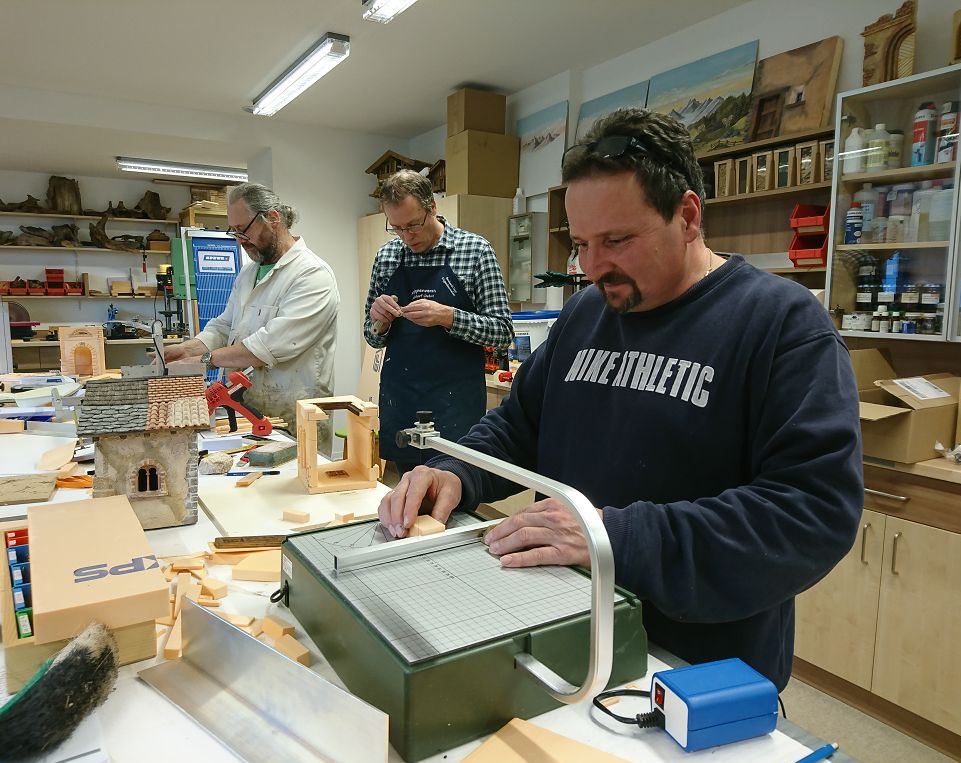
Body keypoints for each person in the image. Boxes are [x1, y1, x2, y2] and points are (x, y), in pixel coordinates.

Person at [377, 108, 863, 690]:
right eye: (582, 244)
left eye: (617, 240)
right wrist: (456, 471)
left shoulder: (781, 324)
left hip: (695, 665)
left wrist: (609, 535)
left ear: (687, 216)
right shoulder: (586, 312)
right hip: (567, 626)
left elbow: (810, 512)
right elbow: (519, 425)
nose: (593, 267)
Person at [164, 183, 340, 452]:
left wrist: (205, 360)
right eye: (233, 232)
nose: (239, 241)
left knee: (298, 475)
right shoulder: (249, 272)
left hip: (295, 414)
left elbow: (268, 345)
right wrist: (186, 350)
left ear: (272, 218)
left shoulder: (312, 274)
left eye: (243, 230)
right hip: (251, 409)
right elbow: (224, 326)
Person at [364, 170, 512, 476]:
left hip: (455, 401)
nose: (407, 237)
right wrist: (379, 321)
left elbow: (501, 332)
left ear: (432, 206)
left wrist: (448, 317)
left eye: (413, 225)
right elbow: (372, 337)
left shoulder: (475, 251)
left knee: (456, 485)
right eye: (397, 228)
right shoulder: (387, 257)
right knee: (407, 488)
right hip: (401, 396)